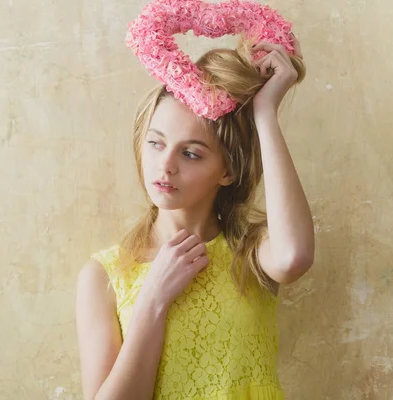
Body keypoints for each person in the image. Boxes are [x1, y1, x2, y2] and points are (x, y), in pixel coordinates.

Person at [75, 26, 314, 400]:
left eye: (190, 153)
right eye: (156, 143)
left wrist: (264, 114)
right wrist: (153, 298)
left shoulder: (251, 253)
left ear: (227, 171)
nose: (165, 166)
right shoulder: (104, 275)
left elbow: (294, 257)